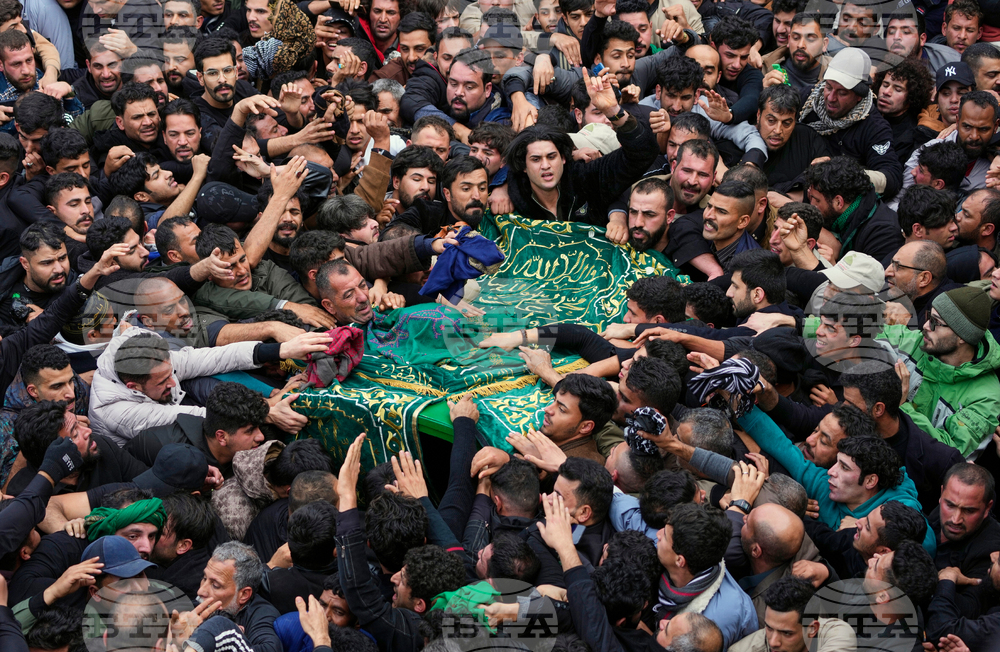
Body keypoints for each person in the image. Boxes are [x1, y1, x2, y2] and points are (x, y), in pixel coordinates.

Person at [89, 328, 329, 445]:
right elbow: (191, 416)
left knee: (203, 378)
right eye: (163, 381)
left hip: (176, 413)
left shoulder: (150, 357)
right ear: (134, 387)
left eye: (170, 373)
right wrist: (266, 413)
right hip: (157, 450)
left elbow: (212, 358)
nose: (173, 383)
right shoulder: (116, 411)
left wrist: (281, 349)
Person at [503, 71, 658, 228]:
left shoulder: (586, 178)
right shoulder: (514, 191)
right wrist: (499, 187)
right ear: (523, 166)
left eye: (551, 157)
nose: (545, 165)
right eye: (536, 159)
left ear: (564, 157)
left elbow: (643, 153)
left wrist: (613, 111)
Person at [878, 286, 1000, 456]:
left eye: (936, 322)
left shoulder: (985, 397)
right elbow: (861, 339)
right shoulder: (915, 343)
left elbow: (950, 452)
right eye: (928, 316)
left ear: (962, 337)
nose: (925, 326)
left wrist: (901, 406)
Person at [799, 48, 903, 199]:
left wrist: (841, 171)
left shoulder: (873, 127)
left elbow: (891, 178)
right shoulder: (809, 100)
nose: (831, 98)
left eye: (842, 93)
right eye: (828, 87)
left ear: (859, 95)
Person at [804, 156, 904, 263]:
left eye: (817, 200)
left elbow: (874, 279)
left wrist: (833, 268)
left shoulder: (883, 235)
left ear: (838, 202)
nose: (812, 204)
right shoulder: (842, 215)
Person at [729, 577, 856, 652]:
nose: (773, 642)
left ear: (812, 629)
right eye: (769, 628)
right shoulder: (743, 650)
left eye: (787, 633)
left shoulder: (837, 634)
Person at [197, 541, 281, 652]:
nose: (200, 591)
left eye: (215, 585)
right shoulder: (196, 605)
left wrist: (230, 638)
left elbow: (270, 649)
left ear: (244, 594)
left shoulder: (261, 614)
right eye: (204, 578)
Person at [884, 240, 958, 328]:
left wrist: (907, 322)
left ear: (924, 279)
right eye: (891, 263)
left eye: (898, 266)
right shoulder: (904, 294)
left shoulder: (949, 308)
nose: (887, 272)